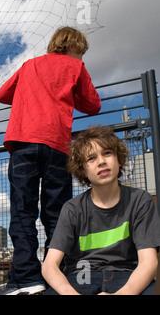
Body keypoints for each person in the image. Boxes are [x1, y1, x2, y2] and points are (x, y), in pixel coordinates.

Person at [0, 26, 101, 295]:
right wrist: (70, 90)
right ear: (74, 47)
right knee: (56, 214)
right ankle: (58, 273)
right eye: (81, 52)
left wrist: (29, 92)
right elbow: (93, 104)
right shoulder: (75, 67)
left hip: (23, 143)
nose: (81, 57)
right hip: (57, 146)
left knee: (22, 212)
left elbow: (1, 95)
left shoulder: (30, 65)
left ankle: (24, 278)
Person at [42, 125, 160, 295]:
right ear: (83, 170)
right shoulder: (73, 208)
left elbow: (148, 262)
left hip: (128, 277)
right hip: (81, 277)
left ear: (119, 159)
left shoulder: (140, 200)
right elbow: (49, 266)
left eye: (107, 153)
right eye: (91, 158)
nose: (101, 162)